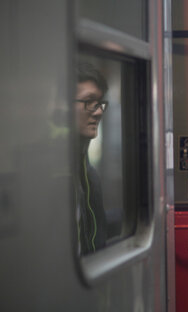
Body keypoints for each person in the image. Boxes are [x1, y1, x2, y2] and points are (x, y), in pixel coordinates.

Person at [75, 62, 108, 255]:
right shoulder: (45, 170)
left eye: (100, 103)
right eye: (89, 102)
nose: (98, 112)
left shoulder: (88, 173)